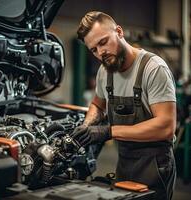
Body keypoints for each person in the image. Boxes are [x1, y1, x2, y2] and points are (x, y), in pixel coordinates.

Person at [71, 11, 176, 200]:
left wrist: (108, 132)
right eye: (94, 49)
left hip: (154, 165)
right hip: (125, 161)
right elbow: (97, 104)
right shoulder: (105, 71)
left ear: (119, 32)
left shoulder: (153, 69)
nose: (100, 52)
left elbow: (166, 126)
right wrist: (87, 126)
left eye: (103, 42)